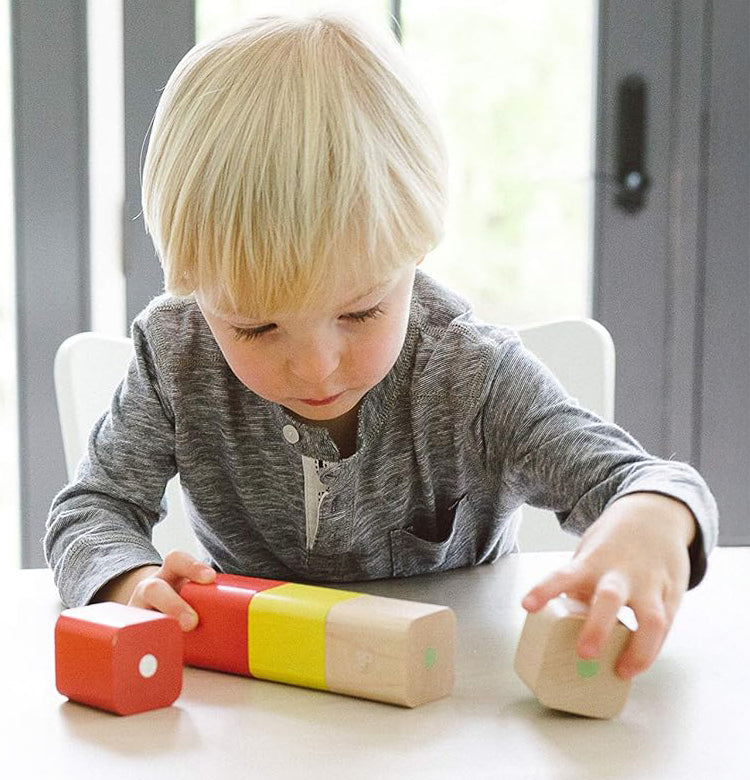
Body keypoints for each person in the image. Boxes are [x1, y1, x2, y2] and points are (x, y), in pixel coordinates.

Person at [45, 12, 718, 683]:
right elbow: (90, 509)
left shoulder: (473, 377)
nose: (314, 365)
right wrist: (128, 583)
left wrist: (653, 518)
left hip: (446, 705)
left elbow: (645, 479)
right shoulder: (177, 357)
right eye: (255, 327)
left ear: (414, 251)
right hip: (264, 711)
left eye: (360, 311)